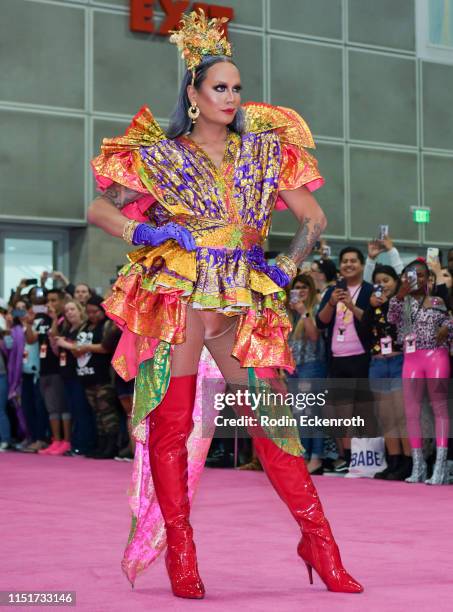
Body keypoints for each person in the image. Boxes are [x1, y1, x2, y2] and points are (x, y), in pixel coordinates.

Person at [87, 11, 362, 598]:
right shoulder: (159, 156)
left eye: (237, 88)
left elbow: (314, 219)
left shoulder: (265, 152)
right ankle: (181, 554)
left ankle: (321, 544)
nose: (232, 97)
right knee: (173, 424)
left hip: (243, 298)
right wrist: (144, 234)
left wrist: (284, 268)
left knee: (276, 424)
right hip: (183, 296)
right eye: (220, 87)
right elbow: (99, 209)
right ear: (193, 93)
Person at [388, 260, 453, 485]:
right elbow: (391, 319)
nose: (417, 279)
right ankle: (418, 466)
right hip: (411, 358)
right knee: (411, 412)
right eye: (411, 275)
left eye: (422, 275)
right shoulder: (401, 302)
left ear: (428, 279)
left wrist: (447, 328)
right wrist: (399, 295)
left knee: (440, 408)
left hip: (436, 356)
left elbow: (450, 323)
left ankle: (441, 466)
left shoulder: (438, 301)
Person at [316, 247, 373, 472]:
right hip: (337, 359)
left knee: (362, 412)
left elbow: (370, 323)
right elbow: (321, 323)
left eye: (353, 261)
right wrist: (331, 303)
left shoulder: (368, 291)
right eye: (345, 261)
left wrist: (350, 304)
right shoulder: (333, 291)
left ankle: (367, 457)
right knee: (342, 413)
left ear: (361, 265)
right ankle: (349, 460)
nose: (348, 264)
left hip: (361, 358)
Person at [360, 265, 412, 480]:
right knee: (386, 417)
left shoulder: (403, 303)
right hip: (377, 364)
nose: (382, 284)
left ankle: (409, 463)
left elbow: (400, 325)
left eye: (386, 280)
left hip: (399, 361)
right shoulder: (372, 306)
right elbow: (362, 331)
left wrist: (389, 304)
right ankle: (394, 461)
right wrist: (371, 308)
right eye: (378, 281)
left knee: (402, 416)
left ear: (396, 282)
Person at [288, 274, 327, 474]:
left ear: (311, 289)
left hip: (312, 366)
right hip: (293, 368)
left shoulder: (316, 308)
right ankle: (303, 455)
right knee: (299, 415)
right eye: (297, 287)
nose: (300, 291)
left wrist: (303, 311)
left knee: (313, 414)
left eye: (304, 287)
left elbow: (313, 336)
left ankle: (316, 457)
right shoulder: (289, 311)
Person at [74, 295, 121, 459]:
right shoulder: (84, 326)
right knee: (97, 413)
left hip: (104, 377)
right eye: (89, 312)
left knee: (107, 412)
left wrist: (86, 347)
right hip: (87, 376)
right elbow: (76, 346)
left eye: (95, 312)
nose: (92, 315)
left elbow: (106, 348)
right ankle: (101, 445)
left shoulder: (107, 325)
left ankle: (111, 446)